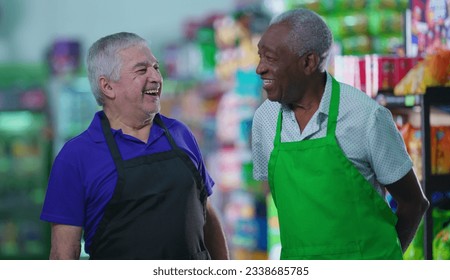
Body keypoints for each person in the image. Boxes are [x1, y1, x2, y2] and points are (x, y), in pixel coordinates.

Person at [251, 9, 430, 260]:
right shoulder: (265, 120)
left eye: (270, 58)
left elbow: (414, 203)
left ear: (308, 62)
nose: (260, 68)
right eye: (260, 56)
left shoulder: (366, 117)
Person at [40, 32, 229, 260]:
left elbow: (206, 211)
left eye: (156, 67)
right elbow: (63, 255)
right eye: (142, 70)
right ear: (108, 87)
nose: (156, 78)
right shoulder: (75, 157)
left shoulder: (181, 134)